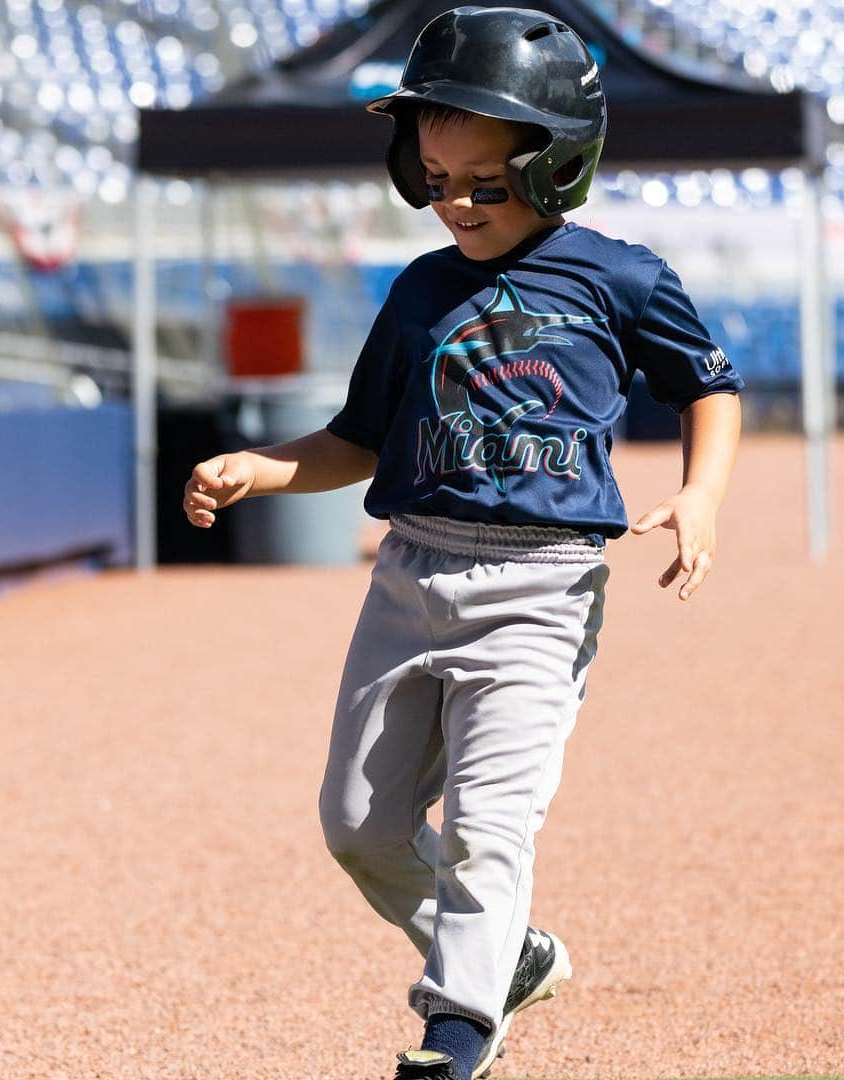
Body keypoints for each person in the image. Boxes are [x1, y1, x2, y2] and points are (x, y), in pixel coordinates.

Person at [181, 8, 745, 1079]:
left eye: (485, 179)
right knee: (359, 826)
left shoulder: (620, 278)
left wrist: (703, 494)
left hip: (542, 590)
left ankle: (458, 1029)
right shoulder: (420, 290)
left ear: (559, 164)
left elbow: (706, 386)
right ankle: (513, 954)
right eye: (436, 176)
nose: (457, 201)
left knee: (493, 825)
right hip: (409, 577)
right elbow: (357, 437)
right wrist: (261, 469)